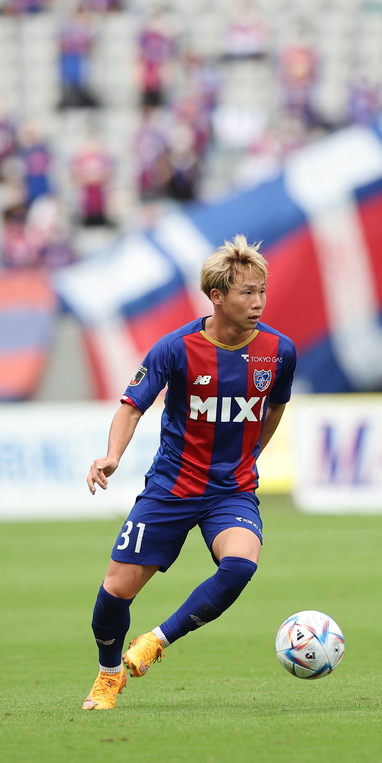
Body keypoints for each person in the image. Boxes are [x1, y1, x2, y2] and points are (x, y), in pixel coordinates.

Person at [82, 236, 297, 710]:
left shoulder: (279, 351)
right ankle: (109, 673)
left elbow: (275, 407)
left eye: (262, 291)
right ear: (216, 296)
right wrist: (112, 455)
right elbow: (131, 406)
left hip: (231, 490)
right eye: (247, 292)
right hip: (172, 487)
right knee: (115, 593)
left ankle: (157, 640)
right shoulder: (175, 348)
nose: (258, 302)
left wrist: (251, 456)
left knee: (241, 564)